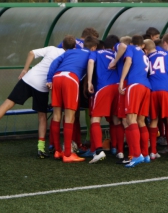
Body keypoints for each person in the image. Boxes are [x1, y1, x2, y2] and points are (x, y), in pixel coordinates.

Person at [0, 36, 76, 158]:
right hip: (42, 87)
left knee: (7, 104)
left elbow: (31, 52)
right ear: (73, 48)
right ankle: (41, 149)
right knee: (42, 117)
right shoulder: (68, 58)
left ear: (62, 44)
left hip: (28, 79)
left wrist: (25, 70)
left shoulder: (52, 49)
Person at [47, 36, 98, 163]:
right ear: (94, 47)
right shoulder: (92, 54)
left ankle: (58, 151)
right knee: (70, 116)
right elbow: (92, 66)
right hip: (71, 78)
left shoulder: (70, 51)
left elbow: (54, 63)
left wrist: (49, 79)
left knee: (56, 115)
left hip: (57, 77)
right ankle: (68, 154)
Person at [143, 39, 168, 162]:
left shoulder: (146, 58)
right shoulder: (167, 54)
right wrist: (167, 78)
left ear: (146, 49)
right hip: (166, 89)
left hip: (152, 90)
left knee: (154, 120)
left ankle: (153, 152)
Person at [118, 35, 152, 168]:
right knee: (141, 121)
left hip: (135, 85)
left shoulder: (131, 48)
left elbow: (128, 62)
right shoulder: (144, 54)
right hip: (146, 86)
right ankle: (145, 154)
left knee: (130, 119)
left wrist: (122, 80)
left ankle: (137, 155)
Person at [87, 35, 121, 164]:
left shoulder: (96, 53)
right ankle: (118, 150)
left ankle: (98, 151)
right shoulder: (117, 53)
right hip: (118, 87)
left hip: (104, 87)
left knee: (95, 118)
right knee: (116, 118)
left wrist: (90, 82)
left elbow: (90, 62)